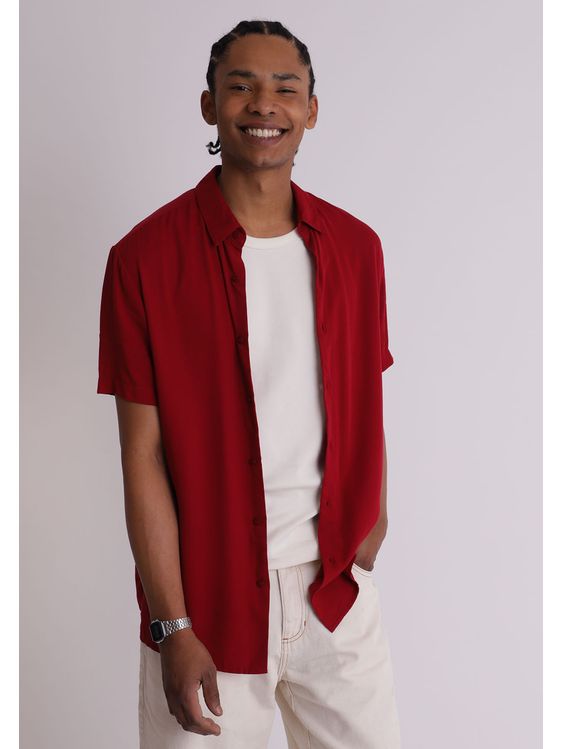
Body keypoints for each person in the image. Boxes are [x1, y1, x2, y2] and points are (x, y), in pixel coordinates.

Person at [97, 18, 401, 749]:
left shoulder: (356, 249)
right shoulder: (143, 258)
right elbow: (142, 455)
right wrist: (172, 625)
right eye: (241, 86)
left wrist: (371, 525)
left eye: (285, 88)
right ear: (209, 105)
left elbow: (365, 399)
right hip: (208, 605)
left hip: (334, 595)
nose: (264, 104)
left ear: (310, 110)